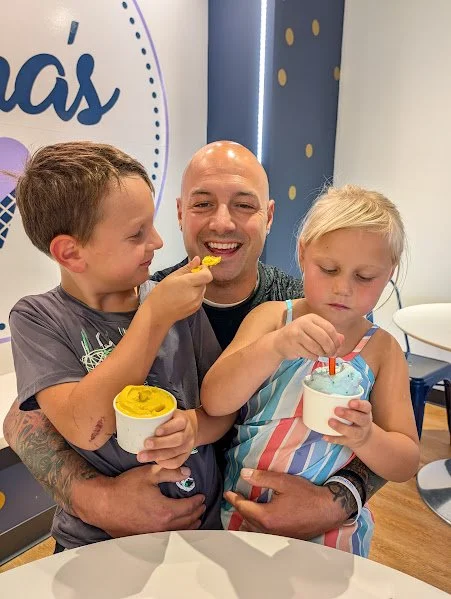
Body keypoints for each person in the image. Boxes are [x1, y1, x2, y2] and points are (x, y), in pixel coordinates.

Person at [4, 141, 387, 544]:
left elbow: (386, 427)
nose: (223, 223)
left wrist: (340, 498)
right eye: (203, 204)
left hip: (234, 535)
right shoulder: (158, 295)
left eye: (244, 205)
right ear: (180, 212)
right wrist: (95, 500)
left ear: (269, 216)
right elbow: (26, 420)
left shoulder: (323, 310)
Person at [7, 141, 236, 549]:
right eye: (137, 233)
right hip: (96, 545)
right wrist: (154, 316)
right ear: (71, 252)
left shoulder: (177, 302)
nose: (159, 242)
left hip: (202, 535)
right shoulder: (37, 319)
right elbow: (86, 428)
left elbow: (222, 408)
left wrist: (195, 429)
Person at [201, 184, 420, 556]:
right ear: (303, 254)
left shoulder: (382, 351)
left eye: (364, 277)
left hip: (334, 538)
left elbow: (406, 460)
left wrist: (366, 438)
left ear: (389, 274)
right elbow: (215, 400)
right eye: (329, 268)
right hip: (242, 512)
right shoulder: (271, 318)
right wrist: (275, 346)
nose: (343, 288)